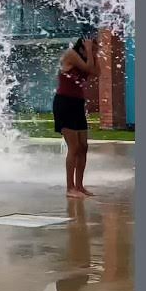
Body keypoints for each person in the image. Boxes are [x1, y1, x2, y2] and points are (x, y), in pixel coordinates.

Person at [54, 32, 97, 198]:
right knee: (74, 147)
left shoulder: (87, 57)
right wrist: (89, 50)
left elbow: (96, 73)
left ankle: (79, 186)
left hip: (77, 104)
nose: (95, 50)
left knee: (84, 147)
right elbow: (88, 69)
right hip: (64, 103)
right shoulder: (71, 54)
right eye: (93, 47)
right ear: (83, 45)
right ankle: (70, 188)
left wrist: (93, 54)